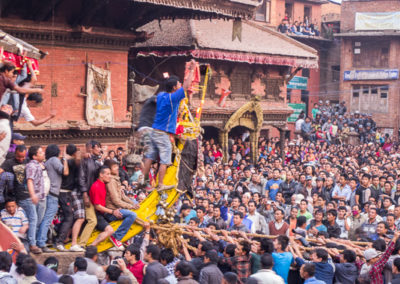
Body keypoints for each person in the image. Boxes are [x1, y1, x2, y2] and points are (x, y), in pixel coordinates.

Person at [142, 60, 197, 191]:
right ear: (174, 88)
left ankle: (142, 181)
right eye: (178, 83)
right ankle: (160, 184)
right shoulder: (173, 98)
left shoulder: (161, 95)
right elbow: (186, 85)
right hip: (163, 133)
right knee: (165, 160)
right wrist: (192, 70)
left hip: (154, 130)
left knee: (150, 156)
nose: (180, 85)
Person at [90, 166, 136, 249]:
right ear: (101, 175)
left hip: (108, 211)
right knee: (132, 215)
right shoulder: (97, 186)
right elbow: (98, 206)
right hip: (103, 213)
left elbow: (121, 196)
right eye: (108, 174)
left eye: (110, 174)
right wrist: (113, 211)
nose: (110, 176)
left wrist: (132, 204)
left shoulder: (105, 184)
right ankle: (117, 237)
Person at [37, 144, 68, 252]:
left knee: (45, 219)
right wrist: (65, 159)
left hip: (49, 194)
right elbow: (64, 171)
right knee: (47, 219)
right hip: (53, 194)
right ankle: (41, 242)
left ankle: (41, 241)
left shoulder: (48, 161)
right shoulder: (54, 160)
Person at [78, 140, 103, 248]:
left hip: (93, 194)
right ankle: (81, 244)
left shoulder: (95, 161)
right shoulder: (85, 160)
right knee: (92, 220)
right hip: (86, 194)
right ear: (91, 148)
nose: (99, 149)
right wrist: (84, 194)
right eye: (98, 147)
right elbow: (82, 177)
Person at [22, 145, 47, 254]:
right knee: (33, 220)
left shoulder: (40, 165)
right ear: (34, 156)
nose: (43, 154)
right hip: (34, 197)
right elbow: (30, 180)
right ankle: (32, 244)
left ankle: (33, 242)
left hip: (41, 197)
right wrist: (33, 195)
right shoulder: (31, 166)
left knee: (38, 221)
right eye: (40, 152)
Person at [58, 144, 82, 251]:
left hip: (65, 192)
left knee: (68, 216)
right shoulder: (70, 161)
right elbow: (78, 162)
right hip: (65, 192)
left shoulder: (64, 161)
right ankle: (60, 241)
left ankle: (65, 237)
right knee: (69, 217)